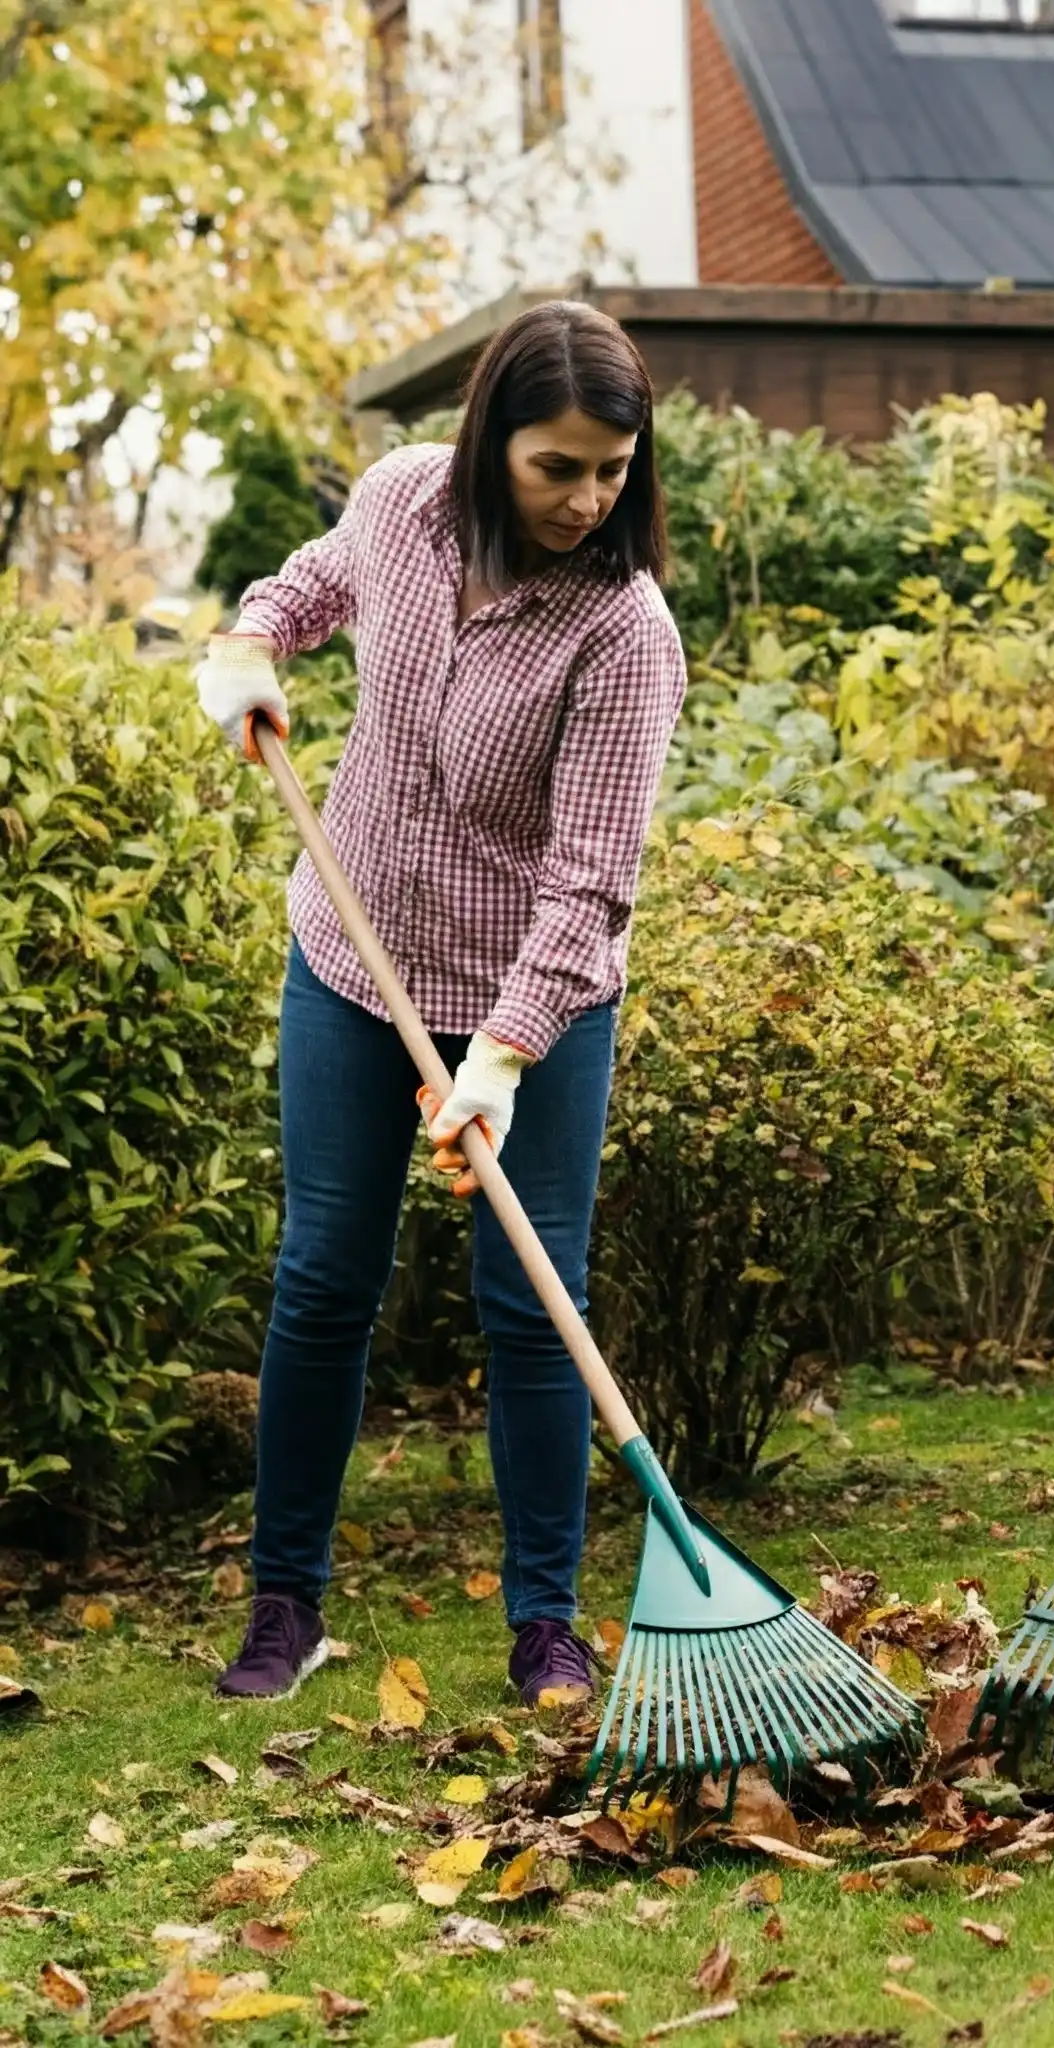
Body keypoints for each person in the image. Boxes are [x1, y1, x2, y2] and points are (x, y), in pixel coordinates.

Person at [194, 301, 687, 1707]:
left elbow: (591, 884)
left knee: (531, 1304)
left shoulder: (623, 632)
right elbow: (313, 583)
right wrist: (251, 646)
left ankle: (545, 1622)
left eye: (612, 470)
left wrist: (508, 1057)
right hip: (349, 963)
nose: (587, 500)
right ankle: (286, 1603)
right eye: (557, 469)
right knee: (324, 1276)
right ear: (489, 446)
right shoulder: (402, 499)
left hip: (532, 1000)